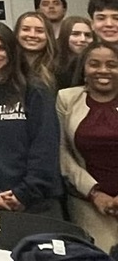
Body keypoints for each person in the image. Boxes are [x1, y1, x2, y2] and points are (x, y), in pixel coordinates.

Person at [0, 23, 62, 216]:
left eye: (1, 48)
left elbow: (45, 144)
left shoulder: (35, 90)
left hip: (37, 200)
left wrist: (24, 193)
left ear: (12, 51)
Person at [57, 42, 118, 251]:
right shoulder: (66, 99)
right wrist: (95, 194)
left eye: (112, 65)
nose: (103, 70)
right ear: (83, 68)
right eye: (94, 64)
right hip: (87, 203)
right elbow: (62, 153)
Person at [14, 12, 58, 90]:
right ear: (17, 33)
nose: (32, 35)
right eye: (26, 29)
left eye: (39, 31)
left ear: (48, 36)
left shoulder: (59, 68)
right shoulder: (8, 67)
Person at [54, 16, 94, 88]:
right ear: (65, 36)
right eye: (75, 34)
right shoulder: (52, 64)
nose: (83, 39)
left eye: (87, 35)